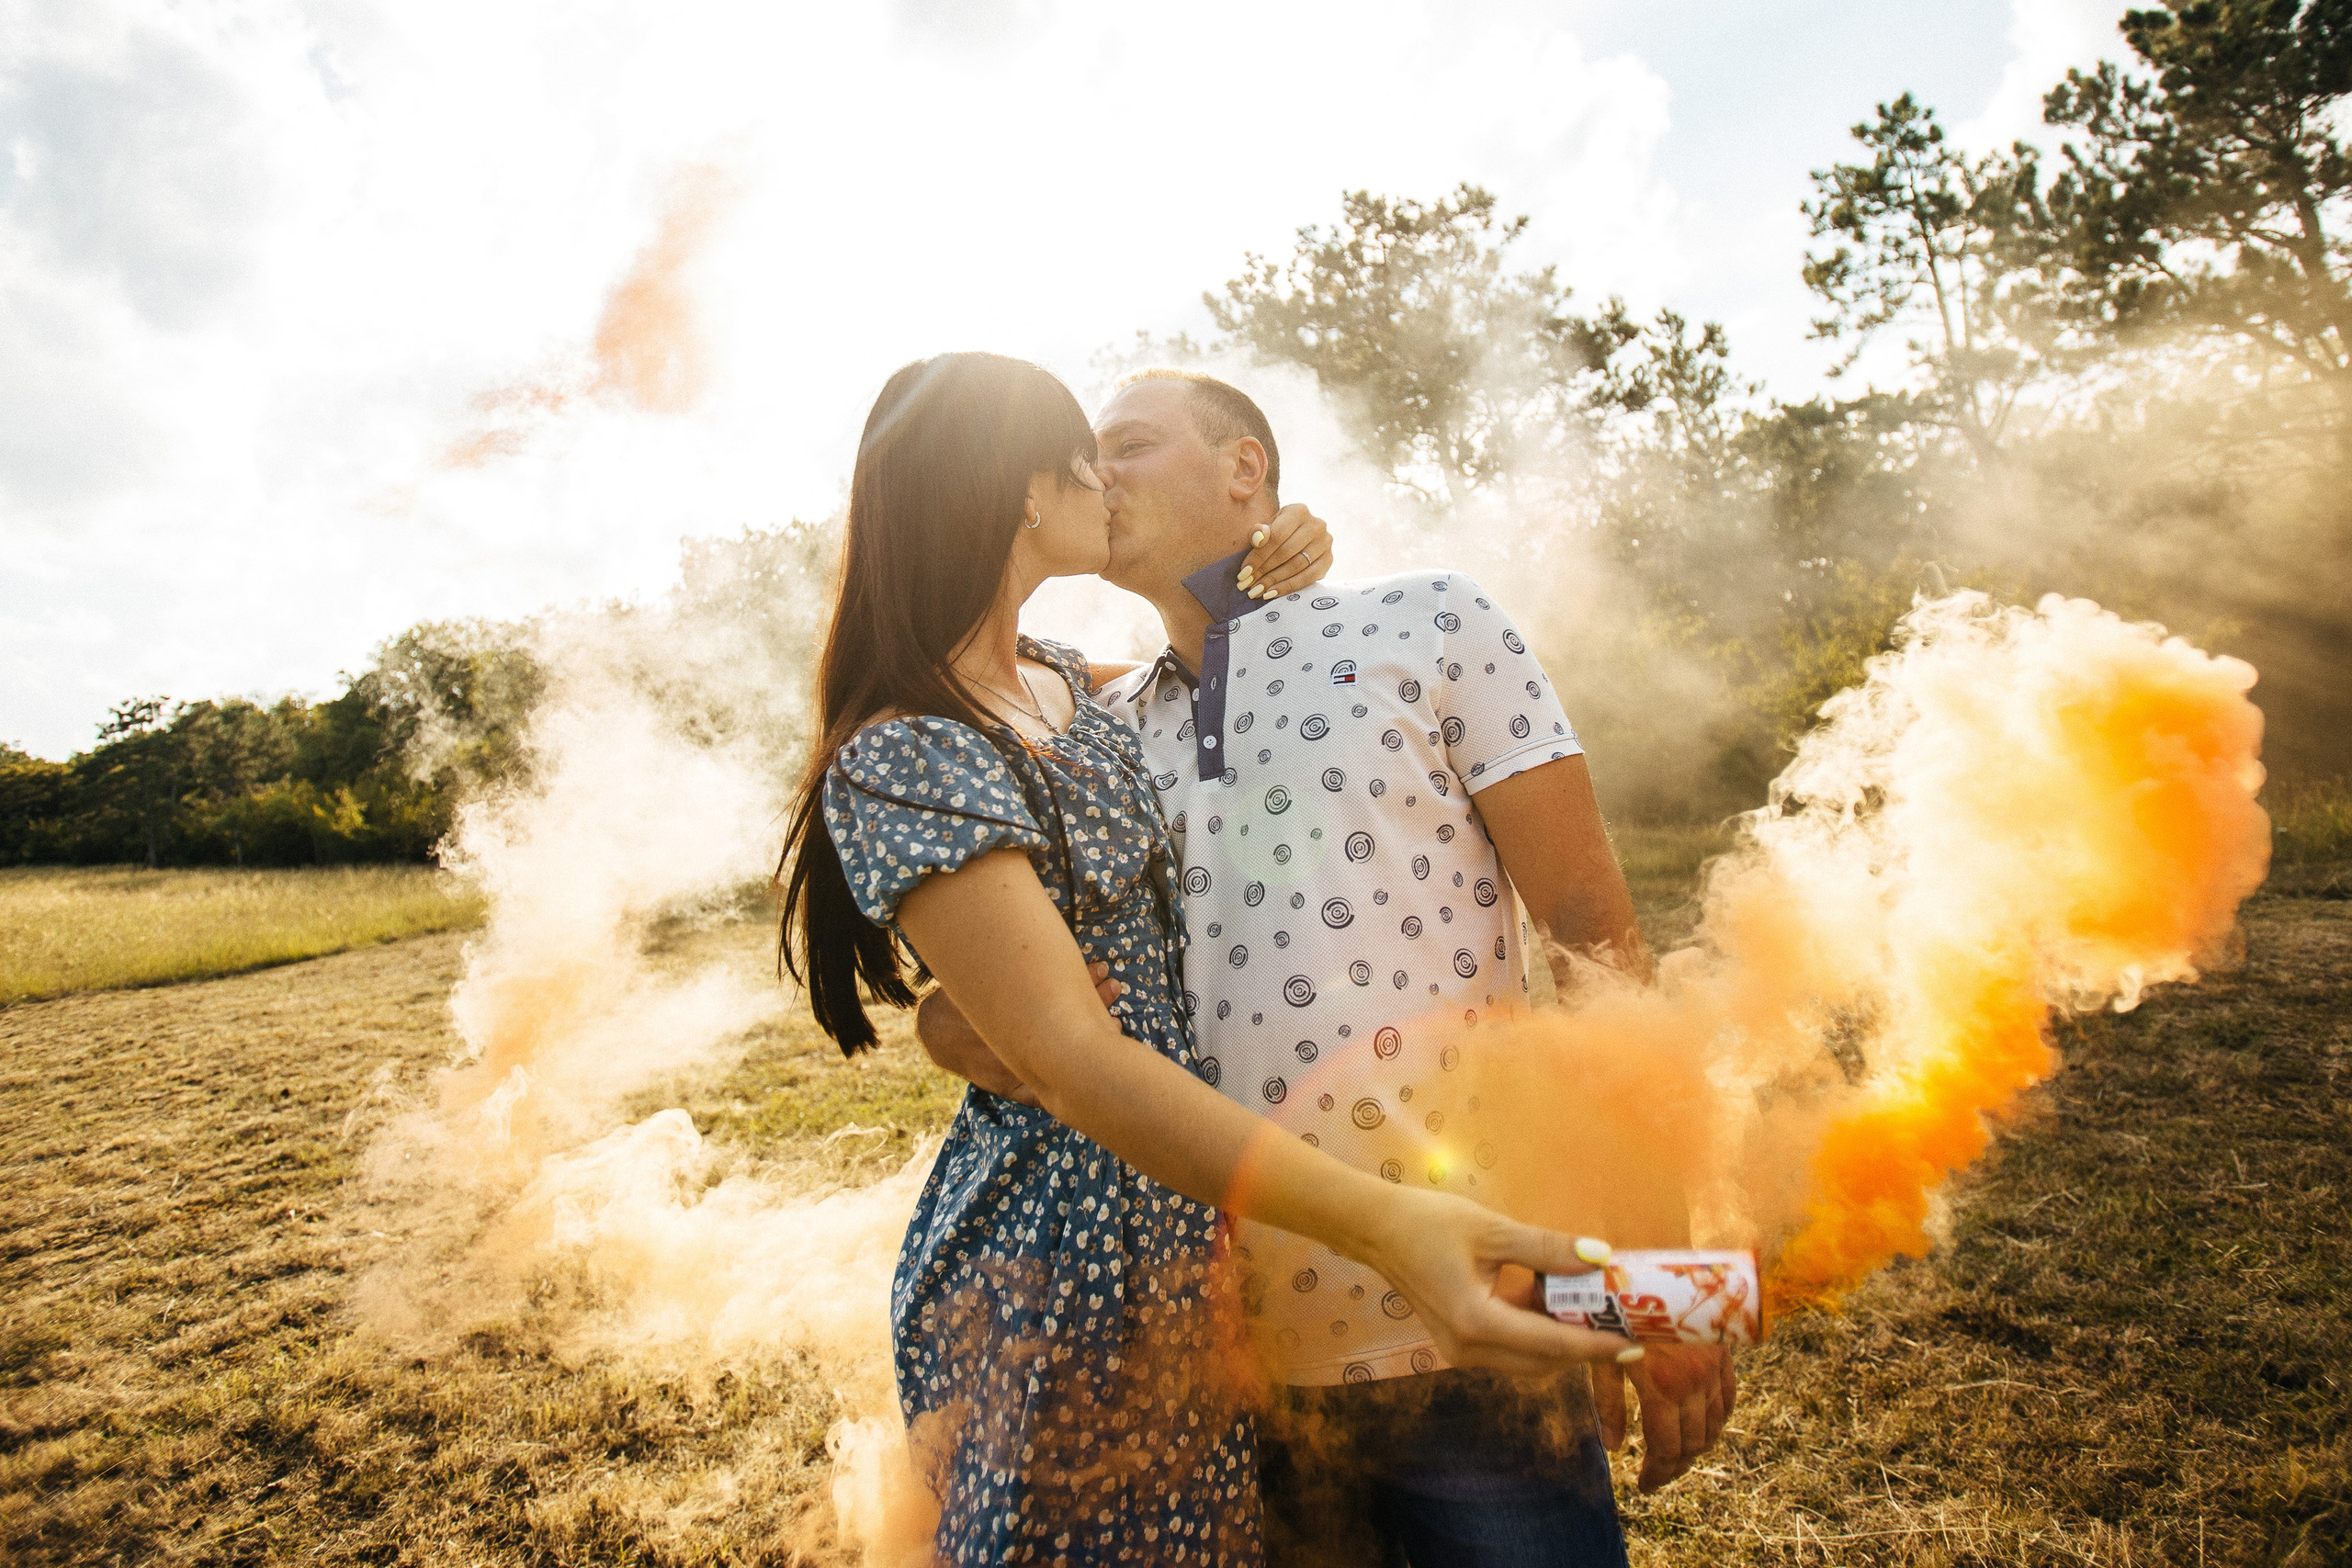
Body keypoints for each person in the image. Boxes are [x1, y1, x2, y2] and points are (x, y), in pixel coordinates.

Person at [779, 352, 1645, 1566]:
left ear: (1247, 470)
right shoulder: (1106, 713)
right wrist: (952, 1022)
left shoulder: (1426, 621)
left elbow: (1593, 926)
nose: (1097, 471)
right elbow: (1040, 962)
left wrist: (1662, 1277)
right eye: (1082, 454)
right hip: (1214, 1342)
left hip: (1469, 1301)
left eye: (1125, 443)